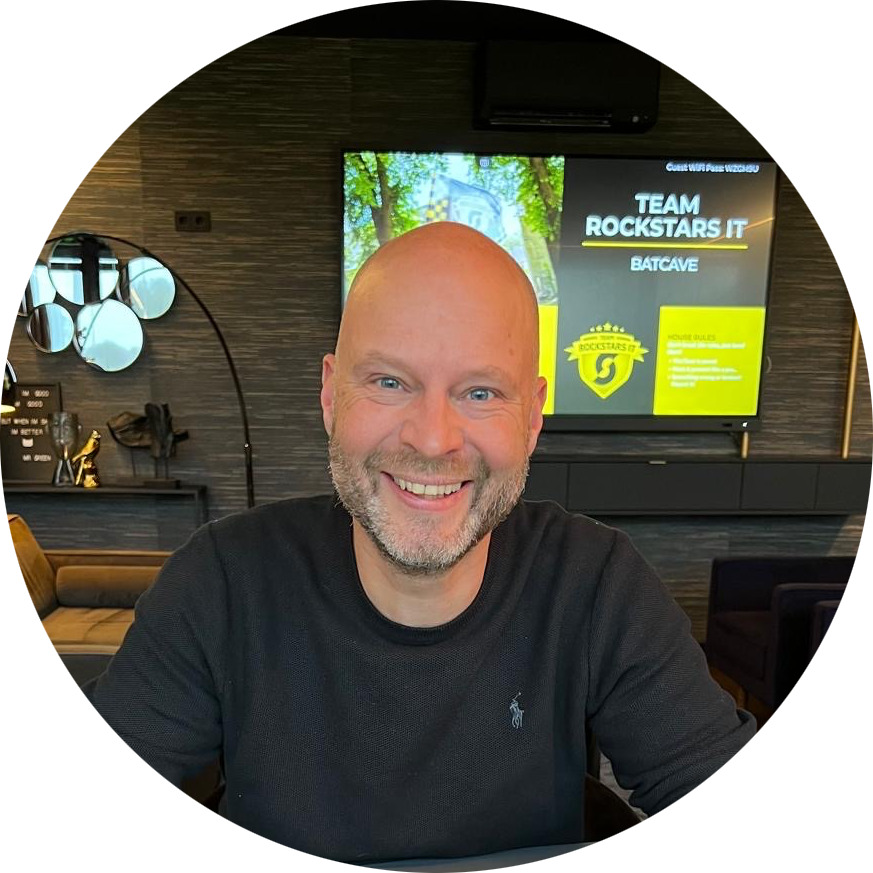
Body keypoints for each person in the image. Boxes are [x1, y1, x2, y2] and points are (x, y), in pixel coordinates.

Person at [85, 222, 754, 863]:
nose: (432, 439)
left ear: (531, 417)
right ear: (330, 395)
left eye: (481, 392)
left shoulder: (595, 582)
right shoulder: (222, 581)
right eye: (389, 382)